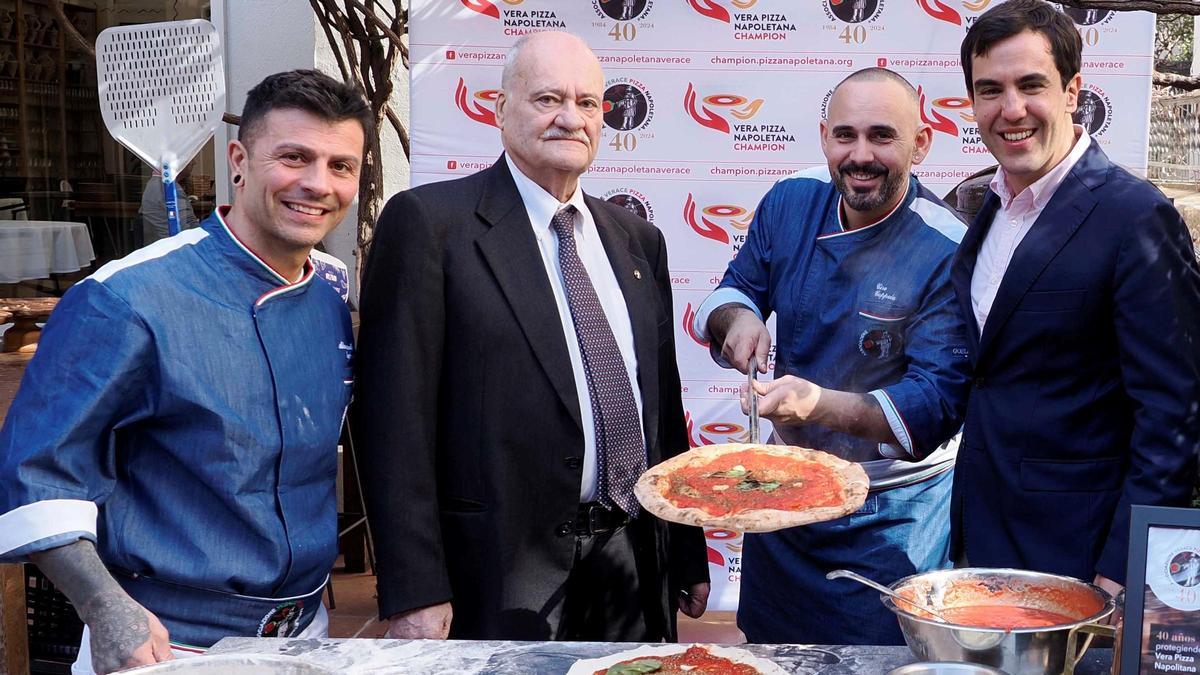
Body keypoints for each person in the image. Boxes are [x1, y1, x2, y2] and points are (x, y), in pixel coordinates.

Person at [0, 69, 371, 675]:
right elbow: (36, 473)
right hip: (167, 643)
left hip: (307, 635)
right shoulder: (126, 298)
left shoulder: (329, 294)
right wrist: (103, 604)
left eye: (340, 166)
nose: (316, 184)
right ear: (239, 159)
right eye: (294, 157)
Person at [353, 31, 709, 642]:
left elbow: (662, 412)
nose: (570, 118)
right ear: (499, 109)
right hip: (493, 574)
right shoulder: (431, 226)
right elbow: (392, 422)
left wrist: (686, 547)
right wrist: (415, 586)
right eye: (547, 99)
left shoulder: (636, 241)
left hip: (632, 565)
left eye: (589, 103)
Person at [692, 67, 971, 645]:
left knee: (878, 659)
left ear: (921, 143)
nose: (860, 155)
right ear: (824, 138)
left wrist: (816, 403)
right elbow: (733, 289)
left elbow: (934, 403)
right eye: (845, 136)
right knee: (770, 651)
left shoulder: (946, 247)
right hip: (783, 500)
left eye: (882, 136)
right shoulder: (792, 199)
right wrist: (738, 320)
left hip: (892, 511)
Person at [951, 0, 1200, 598]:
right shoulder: (983, 205)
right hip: (982, 545)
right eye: (990, 90)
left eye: (1030, 85)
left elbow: (1173, 419)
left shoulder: (1136, 217)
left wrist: (1121, 573)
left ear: (1071, 91)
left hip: (1082, 563)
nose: (1011, 110)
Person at [138, 163, 200, 245]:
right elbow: (186, 229)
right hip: (174, 248)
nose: (194, 162)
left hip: (164, 246)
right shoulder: (167, 188)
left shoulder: (158, 184)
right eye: (190, 159)